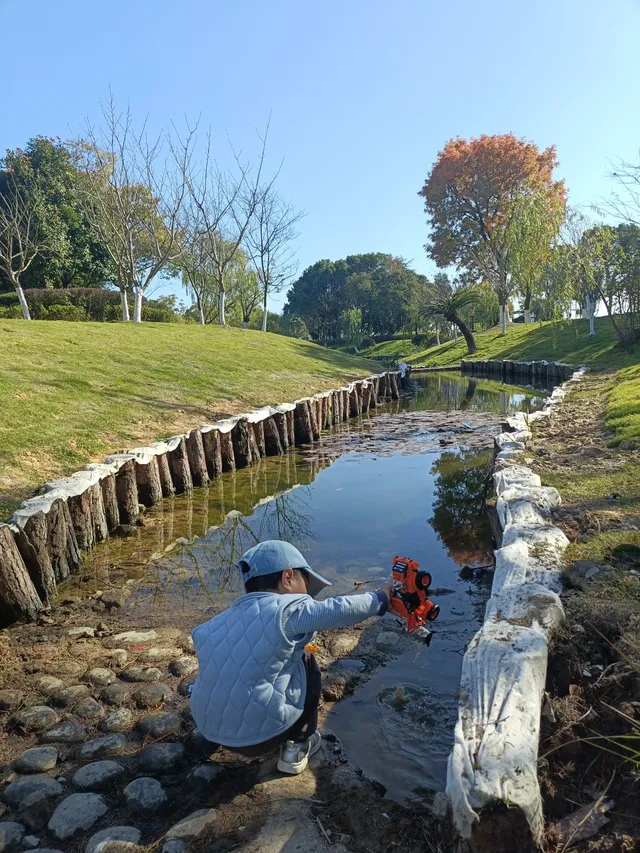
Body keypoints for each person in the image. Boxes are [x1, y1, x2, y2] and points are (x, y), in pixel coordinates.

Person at [190, 539, 392, 775]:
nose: (308, 594)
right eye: (305, 583)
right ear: (287, 578)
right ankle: (296, 745)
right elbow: (337, 609)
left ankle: (215, 734)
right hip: (263, 736)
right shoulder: (287, 610)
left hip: (210, 729)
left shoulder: (208, 627)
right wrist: (381, 600)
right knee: (306, 658)